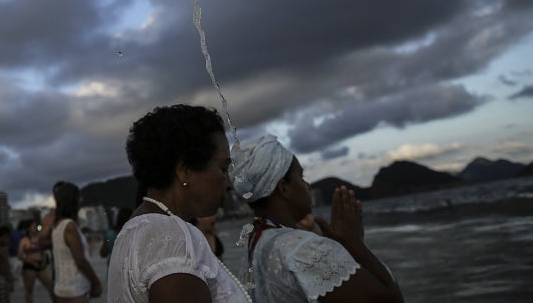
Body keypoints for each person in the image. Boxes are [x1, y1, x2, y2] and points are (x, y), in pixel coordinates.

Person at [231, 135, 403, 302]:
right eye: (301, 176)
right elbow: (391, 299)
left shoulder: (254, 242)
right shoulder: (305, 249)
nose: (307, 185)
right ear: (284, 188)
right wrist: (354, 244)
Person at [107, 104, 251, 303]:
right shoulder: (170, 235)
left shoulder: (136, 228)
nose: (228, 184)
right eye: (223, 169)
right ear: (185, 170)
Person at [51, 182, 101, 302]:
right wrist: (96, 282)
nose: (81, 200)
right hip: (75, 289)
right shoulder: (69, 226)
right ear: (72, 200)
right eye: (78, 197)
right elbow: (80, 261)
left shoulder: (56, 225)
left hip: (61, 288)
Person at [18, 219, 54, 303]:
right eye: (33, 226)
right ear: (28, 228)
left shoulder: (40, 238)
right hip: (29, 267)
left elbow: (44, 251)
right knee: (29, 290)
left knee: (50, 286)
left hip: (41, 265)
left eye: (35, 226)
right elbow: (20, 255)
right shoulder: (24, 240)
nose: (35, 228)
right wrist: (30, 261)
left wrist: (44, 261)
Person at [99, 207, 132, 275]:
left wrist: (108, 240)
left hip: (112, 269)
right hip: (127, 270)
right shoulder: (132, 234)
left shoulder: (109, 234)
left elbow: (103, 253)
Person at [0, 225, 14, 303]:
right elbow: (0, 266)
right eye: (7, 237)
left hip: (3, 278)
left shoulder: (4, 248)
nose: (8, 240)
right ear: (2, 237)